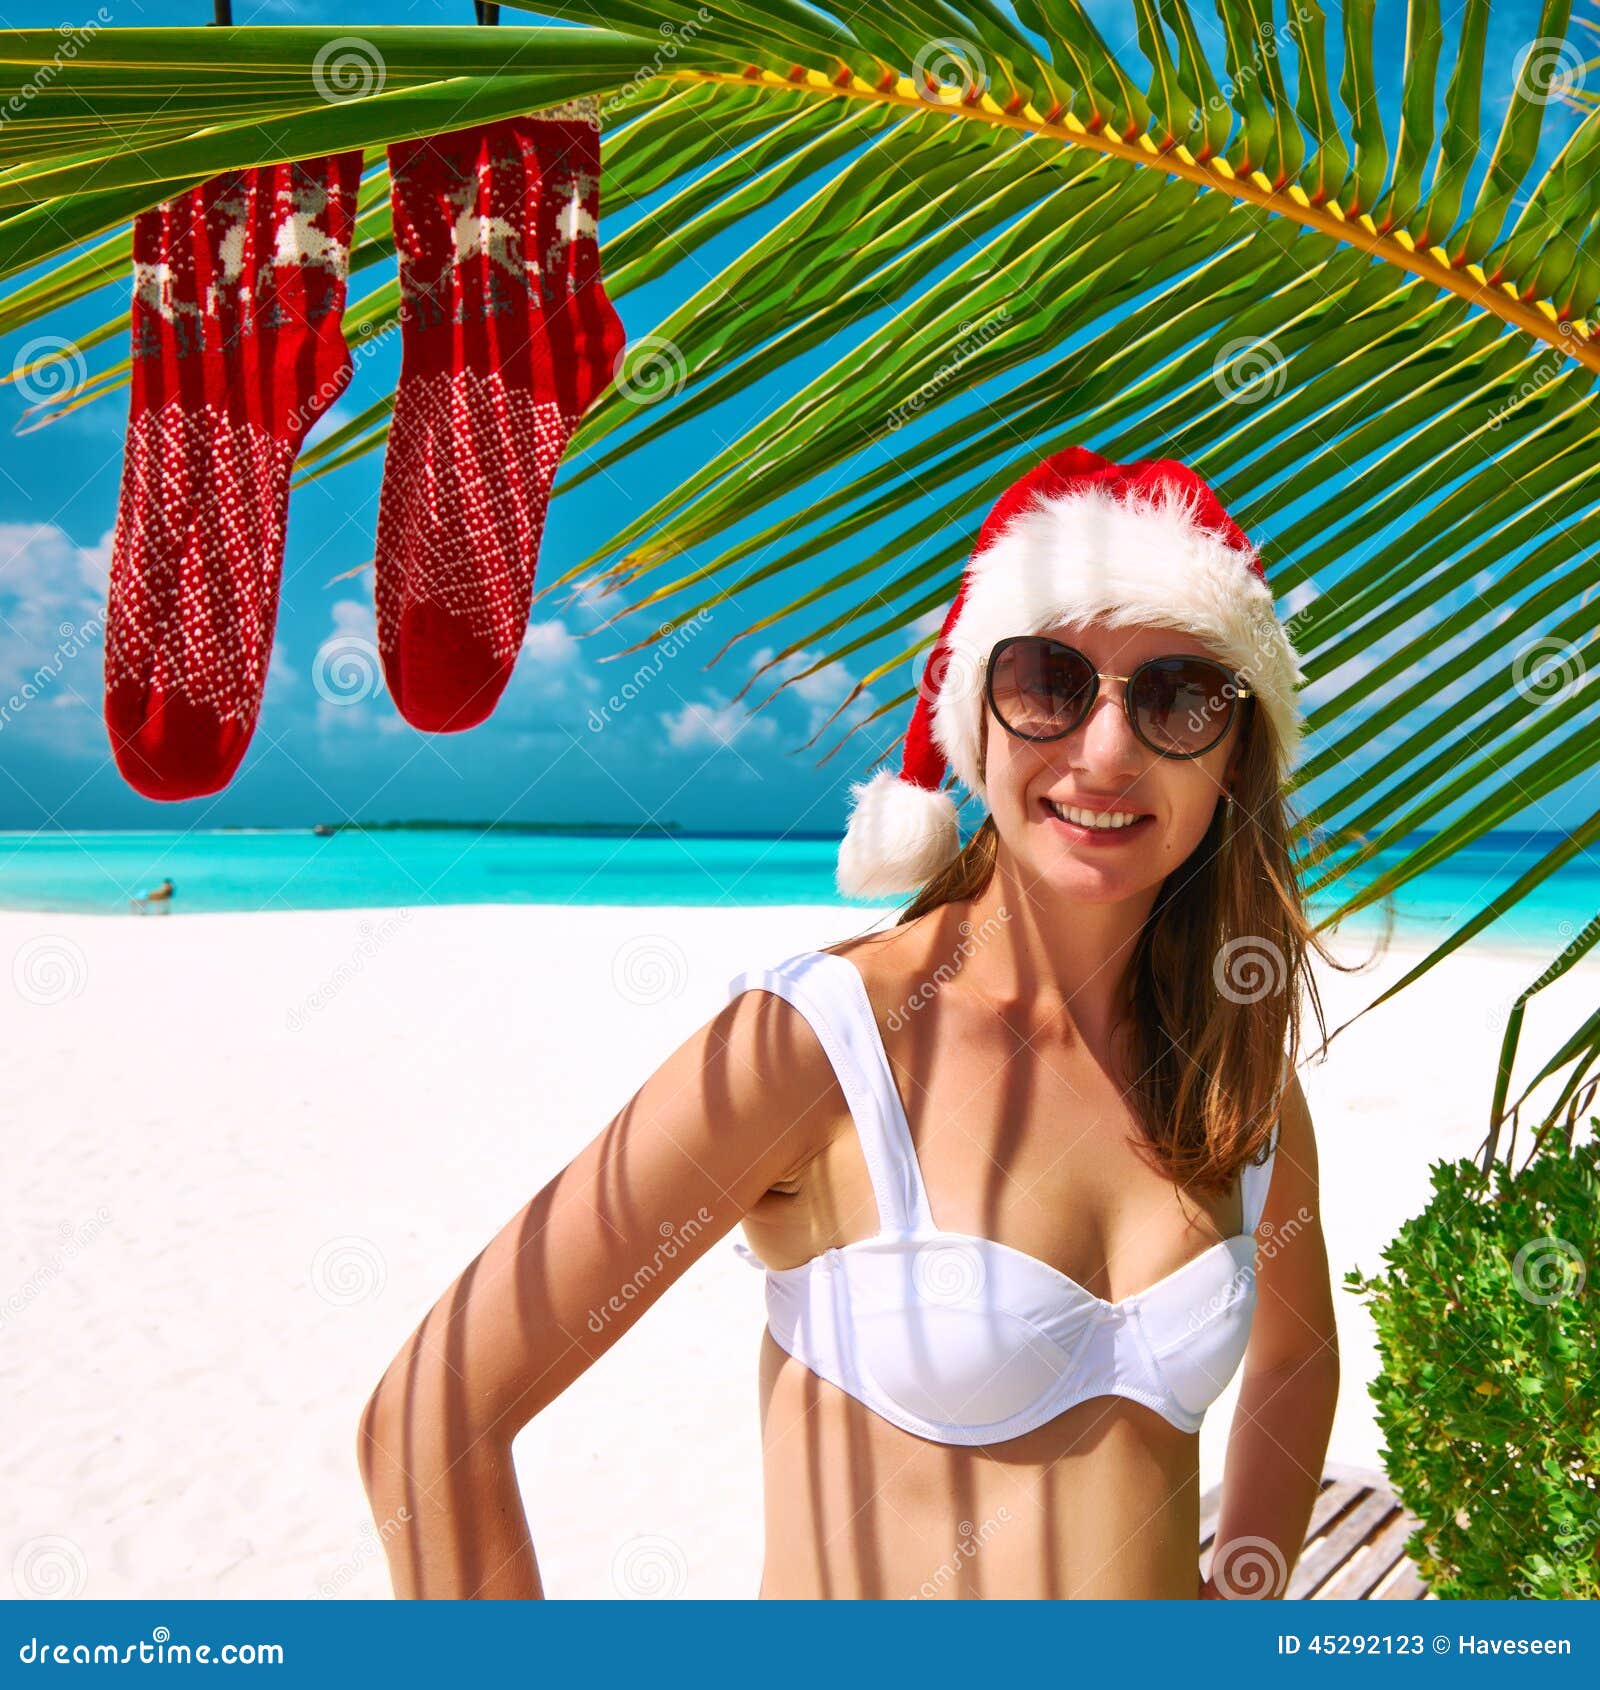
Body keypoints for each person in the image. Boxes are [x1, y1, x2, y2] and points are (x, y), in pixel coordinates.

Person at [358, 447, 1351, 1600]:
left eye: (1179, 697)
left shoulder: (1229, 1070)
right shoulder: (820, 1046)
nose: (1107, 751)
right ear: (976, 718)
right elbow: (430, 1420)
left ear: (1235, 751)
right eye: (1049, 680)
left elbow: (1296, 1356)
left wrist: (1243, 1602)